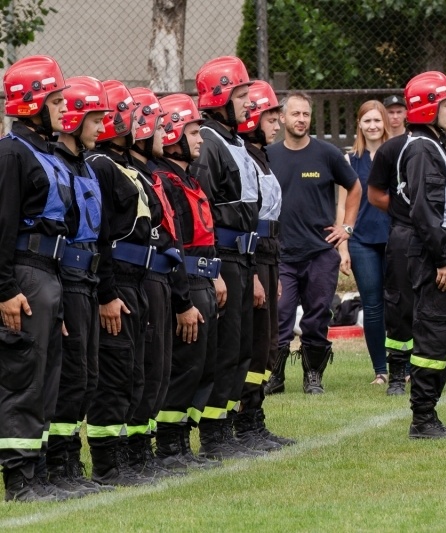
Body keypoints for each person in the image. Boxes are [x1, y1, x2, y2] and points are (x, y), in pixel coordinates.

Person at [0, 55, 73, 502]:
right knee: (23, 376)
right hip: (24, 276)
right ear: (31, 104)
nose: (65, 110)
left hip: (48, 275)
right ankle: (18, 481)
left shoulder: (42, 152)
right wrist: (5, 290)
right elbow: (3, 228)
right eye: (57, 101)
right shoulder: (12, 154)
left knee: (46, 378)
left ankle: (38, 472)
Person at [367, 107, 446, 396]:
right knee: (400, 305)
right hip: (408, 237)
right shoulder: (396, 149)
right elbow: (376, 194)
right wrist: (409, 217)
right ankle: (397, 374)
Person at [85, 80, 158, 485]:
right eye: (126, 113)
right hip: (118, 283)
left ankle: (130, 457)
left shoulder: (121, 166)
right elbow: (101, 236)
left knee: (135, 371)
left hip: (138, 280)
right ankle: (107, 465)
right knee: (115, 372)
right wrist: (108, 292)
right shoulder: (100, 166)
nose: (136, 122)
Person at [192, 56, 265, 459]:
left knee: (239, 348)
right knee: (224, 350)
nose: (248, 102)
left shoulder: (234, 141)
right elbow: (202, 212)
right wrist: (213, 269)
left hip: (244, 258)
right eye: (240, 94)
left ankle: (227, 426)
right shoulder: (211, 144)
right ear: (220, 97)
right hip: (224, 258)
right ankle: (214, 436)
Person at [267, 91, 362, 394]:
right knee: (280, 315)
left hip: (321, 252)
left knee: (318, 315)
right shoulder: (269, 156)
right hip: (282, 254)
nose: (301, 120)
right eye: (295, 114)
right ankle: (275, 377)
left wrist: (346, 227)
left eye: (306, 114)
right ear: (282, 117)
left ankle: (313, 377)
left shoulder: (327, 154)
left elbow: (355, 187)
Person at [398, 71, 446, 439]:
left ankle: (429, 415)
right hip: (434, 254)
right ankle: (422, 419)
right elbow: (424, 211)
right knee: (433, 331)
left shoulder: (437, 144)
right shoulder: (422, 149)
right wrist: (442, 258)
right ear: (428, 108)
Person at [47, 76, 112, 497]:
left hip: (87, 280)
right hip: (66, 280)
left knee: (88, 376)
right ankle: (58, 462)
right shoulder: (52, 163)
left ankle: (70, 459)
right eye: (94, 118)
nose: (100, 125)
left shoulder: (86, 165)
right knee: (70, 375)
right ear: (73, 120)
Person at [152, 93, 223, 469]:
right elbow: (174, 246)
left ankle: (181, 443)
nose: (200, 140)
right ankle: (168, 446)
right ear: (174, 134)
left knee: (201, 367)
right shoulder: (168, 182)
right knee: (184, 367)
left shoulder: (186, 178)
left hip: (203, 281)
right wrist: (185, 300)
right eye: (194, 132)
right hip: (188, 284)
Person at [127, 87, 190, 477]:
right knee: (139, 369)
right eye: (153, 126)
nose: (161, 134)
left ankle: (142, 449)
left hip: (158, 277)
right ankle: (126, 454)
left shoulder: (151, 175)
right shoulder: (114, 168)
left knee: (157, 370)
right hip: (136, 279)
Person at [237, 80, 296, 447]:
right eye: (270, 117)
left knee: (269, 343)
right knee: (255, 342)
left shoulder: (262, 156)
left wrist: (273, 269)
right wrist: (256, 273)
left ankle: (256, 419)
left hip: (269, 256)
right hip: (254, 256)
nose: (278, 124)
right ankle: (243, 422)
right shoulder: (244, 156)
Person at [337, 100, 391, 384]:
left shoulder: (397, 154)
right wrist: (342, 244)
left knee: (399, 303)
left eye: (377, 120)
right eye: (366, 121)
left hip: (395, 239)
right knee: (372, 305)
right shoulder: (349, 160)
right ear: (359, 124)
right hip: (362, 241)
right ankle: (381, 371)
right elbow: (343, 206)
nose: (372, 126)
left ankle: (403, 367)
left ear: (386, 123)